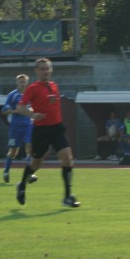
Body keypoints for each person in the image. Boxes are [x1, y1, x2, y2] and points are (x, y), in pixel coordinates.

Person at [14, 58, 80, 207]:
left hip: (56, 128)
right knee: (36, 163)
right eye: (42, 69)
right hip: (41, 131)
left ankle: (67, 197)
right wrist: (33, 115)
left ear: (51, 70)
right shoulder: (33, 88)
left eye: (47, 68)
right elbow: (20, 107)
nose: (45, 71)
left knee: (68, 159)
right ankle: (22, 185)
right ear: (36, 71)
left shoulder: (54, 86)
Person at [1, 74, 38, 184]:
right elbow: (4, 110)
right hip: (15, 126)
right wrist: (15, 111)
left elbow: (34, 107)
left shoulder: (30, 94)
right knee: (13, 152)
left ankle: (30, 174)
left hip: (28, 125)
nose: (22, 83)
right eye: (20, 81)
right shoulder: (12, 95)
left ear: (27, 82)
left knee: (29, 148)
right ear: (17, 83)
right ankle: (6, 171)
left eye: (24, 81)